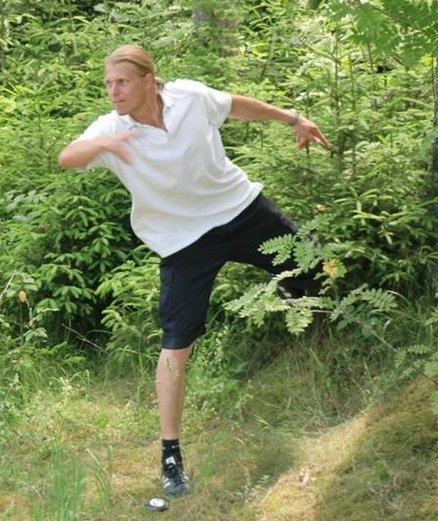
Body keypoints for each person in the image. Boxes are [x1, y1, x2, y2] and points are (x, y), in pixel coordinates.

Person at [57, 44, 330, 497]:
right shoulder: (111, 129)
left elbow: (236, 105)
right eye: (108, 84)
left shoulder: (189, 97)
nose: (114, 92)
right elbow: (68, 156)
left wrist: (293, 118)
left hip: (239, 208)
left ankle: (323, 353)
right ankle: (170, 456)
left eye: (121, 82)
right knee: (176, 344)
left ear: (148, 80)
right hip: (183, 242)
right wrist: (102, 143)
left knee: (310, 266)